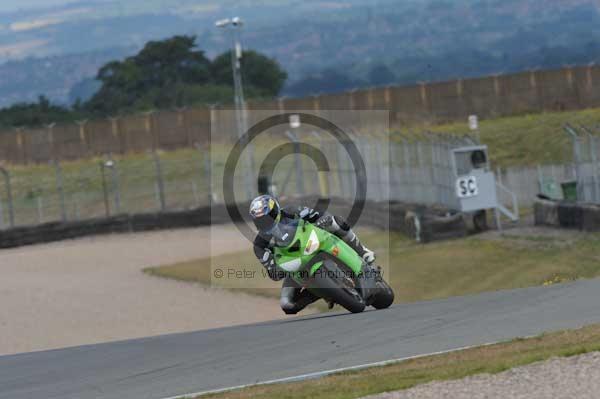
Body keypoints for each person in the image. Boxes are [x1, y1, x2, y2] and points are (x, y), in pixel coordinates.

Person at [249, 194, 375, 315]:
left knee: (334, 222)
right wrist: (274, 269)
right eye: (260, 220)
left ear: (275, 210)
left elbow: (316, 213)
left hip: (310, 242)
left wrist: (320, 218)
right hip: (295, 266)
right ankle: (321, 293)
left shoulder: (290, 210)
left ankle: (363, 251)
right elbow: (274, 273)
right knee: (286, 304)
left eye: (268, 216)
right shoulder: (259, 244)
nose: (265, 222)